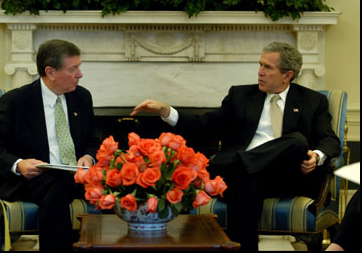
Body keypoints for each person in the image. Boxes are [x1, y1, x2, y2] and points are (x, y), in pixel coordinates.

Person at [130, 42, 341, 251]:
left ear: (287, 75)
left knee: (297, 141)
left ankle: (237, 164)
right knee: (250, 180)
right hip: (247, 178)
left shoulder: (313, 101)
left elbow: (330, 140)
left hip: (284, 176)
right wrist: (167, 111)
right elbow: (204, 125)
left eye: (268, 67)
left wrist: (316, 155)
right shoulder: (241, 96)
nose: (260, 72)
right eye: (260, 65)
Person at [0, 39, 100, 251]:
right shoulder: (16, 101)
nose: (80, 74)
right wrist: (19, 164)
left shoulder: (82, 97)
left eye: (79, 67)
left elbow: (93, 139)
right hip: (33, 179)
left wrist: (89, 157)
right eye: (73, 69)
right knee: (58, 182)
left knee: (122, 181)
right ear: (50, 72)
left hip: (78, 175)